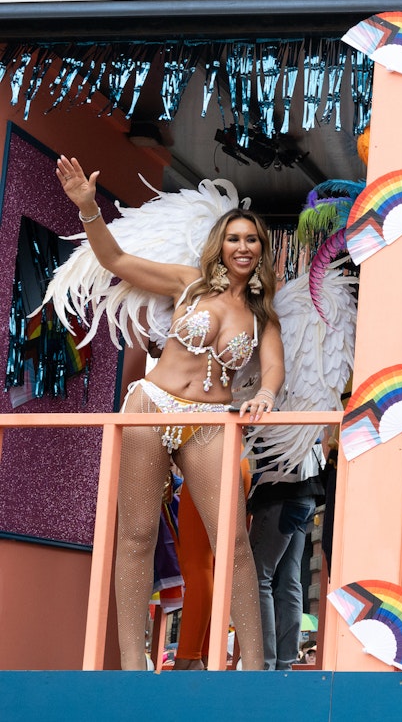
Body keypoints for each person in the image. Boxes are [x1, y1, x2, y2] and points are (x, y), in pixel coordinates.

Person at [56, 155, 282, 671]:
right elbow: (115, 261)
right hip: (152, 405)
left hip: (210, 420)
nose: (243, 247)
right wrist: (88, 208)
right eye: (234, 238)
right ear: (219, 246)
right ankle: (134, 664)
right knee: (135, 535)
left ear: (262, 251)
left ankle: (254, 667)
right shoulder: (188, 284)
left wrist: (265, 395)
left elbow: (272, 370)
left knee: (235, 543)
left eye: (252, 240)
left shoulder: (264, 316)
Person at [248, 438, 326, 670]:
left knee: (258, 579)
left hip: (279, 490)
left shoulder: (276, 403)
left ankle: (265, 662)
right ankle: (285, 662)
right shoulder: (310, 404)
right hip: (306, 494)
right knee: (290, 582)